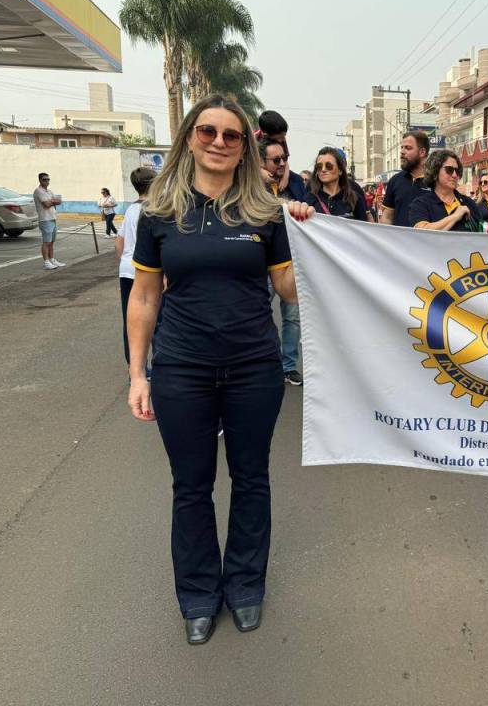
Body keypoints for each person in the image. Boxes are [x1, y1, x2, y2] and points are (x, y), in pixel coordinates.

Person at [127, 93, 312, 645]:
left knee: (252, 480)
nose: (219, 142)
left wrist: (306, 235)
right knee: (191, 487)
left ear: (244, 148)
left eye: (232, 135)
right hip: (181, 369)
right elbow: (144, 297)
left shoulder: (266, 213)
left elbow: (288, 290)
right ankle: (199, 596)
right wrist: (138, 375)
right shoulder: (159, 213)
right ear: (190, 138)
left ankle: (246, 587)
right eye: (208, 131)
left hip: (254, 368)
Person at [260, 139, 305, 386]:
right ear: (261, 162)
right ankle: (266, 364)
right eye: (275, 160)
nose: (281, 164)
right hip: (261, 263)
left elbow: (306, 212)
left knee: (293, 316)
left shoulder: (296, 182)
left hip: (289, 262)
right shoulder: (252, 183)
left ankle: (289, 366)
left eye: (284, 159)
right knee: (259, 313)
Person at [116, 167, 156, 367]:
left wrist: (124, 261)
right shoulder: (154, 210)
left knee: (130, 320)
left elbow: (119, 241)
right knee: (157, 318)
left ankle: (134, 367)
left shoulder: (131, 209)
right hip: (148, 272)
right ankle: (160, 364)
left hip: (127, 271)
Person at [409, 149, 481, 231]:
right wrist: (455, 216)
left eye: (457, 171)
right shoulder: (421, 204)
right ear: (435, 171)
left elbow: (480, 234)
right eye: (449, 170)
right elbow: (422, 232)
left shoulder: (469, 203)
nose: (454, 175)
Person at [306, 147, 370, 222]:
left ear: (340, 170)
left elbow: (363, 226)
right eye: (319, 167)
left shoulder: (354, 198)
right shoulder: (309, 198)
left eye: (328, 166)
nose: (323, 169)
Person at [381, 131, 429, 227]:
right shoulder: (395, 180)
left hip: (427, 236)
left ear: (422, 152)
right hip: (399, 237)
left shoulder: (437, 180)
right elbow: (387, 217)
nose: (402, 152)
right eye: (402, 147)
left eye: (408, 148)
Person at [33, 172, 64, 270]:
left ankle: (52, 259)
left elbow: (59, 201)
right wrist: (53, 201)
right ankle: (46, 262)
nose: (47, 181)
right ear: (40, 180)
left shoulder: (49, 191)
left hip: (52, 218)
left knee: (51, 242)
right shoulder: (38, 191)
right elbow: (46, 204)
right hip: (45, 219)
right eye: (44, 179)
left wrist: (51, 201)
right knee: (46, 242)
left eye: (48, 179)